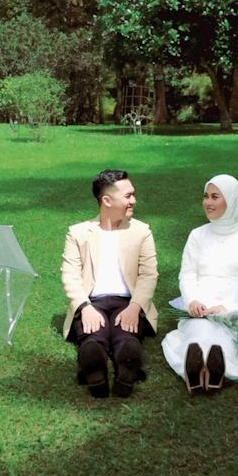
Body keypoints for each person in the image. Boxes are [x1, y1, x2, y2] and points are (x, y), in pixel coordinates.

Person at [161, 173, 238, 392]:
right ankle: (196, 368)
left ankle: (214, 368)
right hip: (202, 300)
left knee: (226, 331)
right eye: (206, 196)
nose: (208, 202)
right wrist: (192, 301)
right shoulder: (197, 235)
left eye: (215, 197)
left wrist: (226, 306)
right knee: (200, 329)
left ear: (231, 200)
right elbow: (187, 274)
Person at [61, 168, 158, 398]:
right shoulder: (78, 233)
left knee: (126, 333)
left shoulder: (141, 231)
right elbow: (70, 275)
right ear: (106, 200)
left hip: (128, 301)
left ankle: (127, 368)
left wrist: (135, 307)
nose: (134, 200)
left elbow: (149, 274)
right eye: (128, 196)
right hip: (92, 302)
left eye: (133, 194)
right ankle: (94, 368)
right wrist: (84, 308)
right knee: (94, 333)